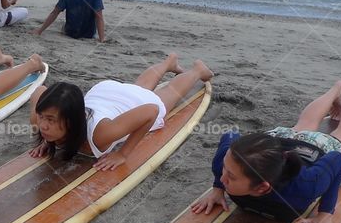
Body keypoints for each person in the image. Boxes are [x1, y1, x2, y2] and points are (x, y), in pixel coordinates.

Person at [191, 81, 341, 223]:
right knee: (304, 123)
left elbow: (336, 160)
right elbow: (230, 135)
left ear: (262, 187)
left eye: (230, 177)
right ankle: (336, 89)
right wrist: (217, 189)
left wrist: (325, 214)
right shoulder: (226, 163)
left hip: (314, 149)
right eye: (224, 170)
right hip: (275, 143)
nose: (222, 177)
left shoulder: (306, 186)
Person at [30, 54, 213, 170]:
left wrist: (122, 154)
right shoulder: (39, 120)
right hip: (103, 94)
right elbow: (39, 90)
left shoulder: (100, 133)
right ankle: (168, 62)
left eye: (51, 120)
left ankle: (197, 70)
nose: (43, 125)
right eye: (42, 117)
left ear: (71, 121)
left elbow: (151, 110)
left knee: (164, 96)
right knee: (138, 88)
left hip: (125, 103)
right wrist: (49, 140)